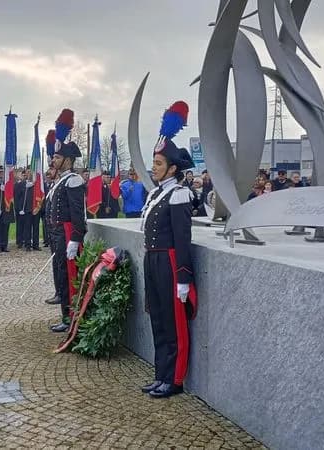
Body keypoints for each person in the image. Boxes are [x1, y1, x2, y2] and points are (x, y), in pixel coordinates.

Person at [140, 101, 197, 399]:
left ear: (173, 168)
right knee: (158, 320)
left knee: (174, 324)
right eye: (154, 162)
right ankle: (160, 374)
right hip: (153, 260)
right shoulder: (157, 193)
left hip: (171, 263)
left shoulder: (179, 194)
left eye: (159, 164)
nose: (154, 167)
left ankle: (174, 379)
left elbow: (182, 239)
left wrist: (183, 279)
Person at [45, 111, 87, 333]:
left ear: (68, 160)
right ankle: (65, 313)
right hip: (58, 233)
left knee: (68, 276)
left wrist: (75, 239)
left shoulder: (74, 180)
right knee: (61, 274)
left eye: (57, 158)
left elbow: (78, 214)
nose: (53, 161)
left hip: (68, 232)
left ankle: (70, 317)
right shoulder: (60, 180)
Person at [14, 169, 35, 250]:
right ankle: (20, 242)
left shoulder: (34, 184)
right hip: (22, 209)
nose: (29, 174)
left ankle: (28, 244)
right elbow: (17, 197)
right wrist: (19, 209)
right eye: (27, 172)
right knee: (20, 226)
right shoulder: (21, 184)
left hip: (30, 209)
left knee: (28, 227)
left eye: (30, 172)